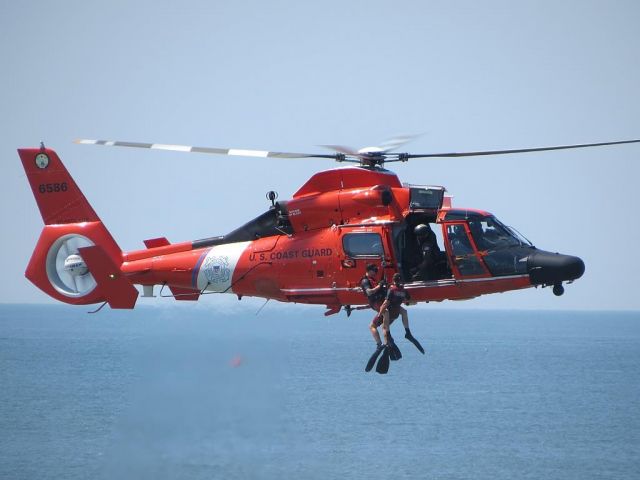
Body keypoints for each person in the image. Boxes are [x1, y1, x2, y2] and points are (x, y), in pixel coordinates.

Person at [379, 273, 425, 355]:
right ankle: (408, 332)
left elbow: (385, 303)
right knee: (404, 312)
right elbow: (410, 301)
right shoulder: (404, 291)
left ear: (393, 280)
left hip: (390, 311)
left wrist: (379, 314)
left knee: (381, 323)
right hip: (397, 311)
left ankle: (388, 337)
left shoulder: (392, 290)